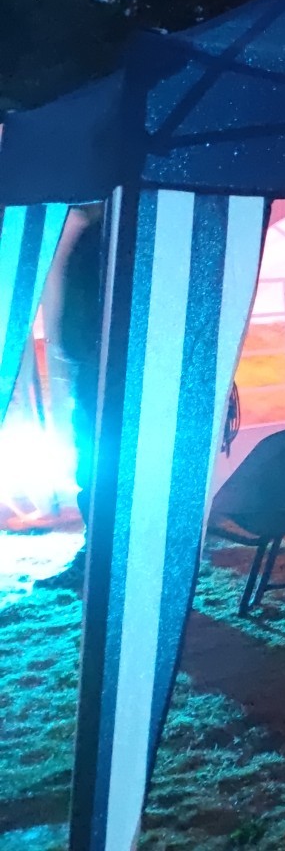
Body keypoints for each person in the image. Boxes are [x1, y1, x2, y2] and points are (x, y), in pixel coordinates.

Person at [36, 205, 104, 590]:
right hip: (95, 367)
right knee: (94, 465)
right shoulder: (94, 235)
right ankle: (96, 552)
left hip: (108, 370)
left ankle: (100, 556)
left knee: (101, 464)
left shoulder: (112, 236)